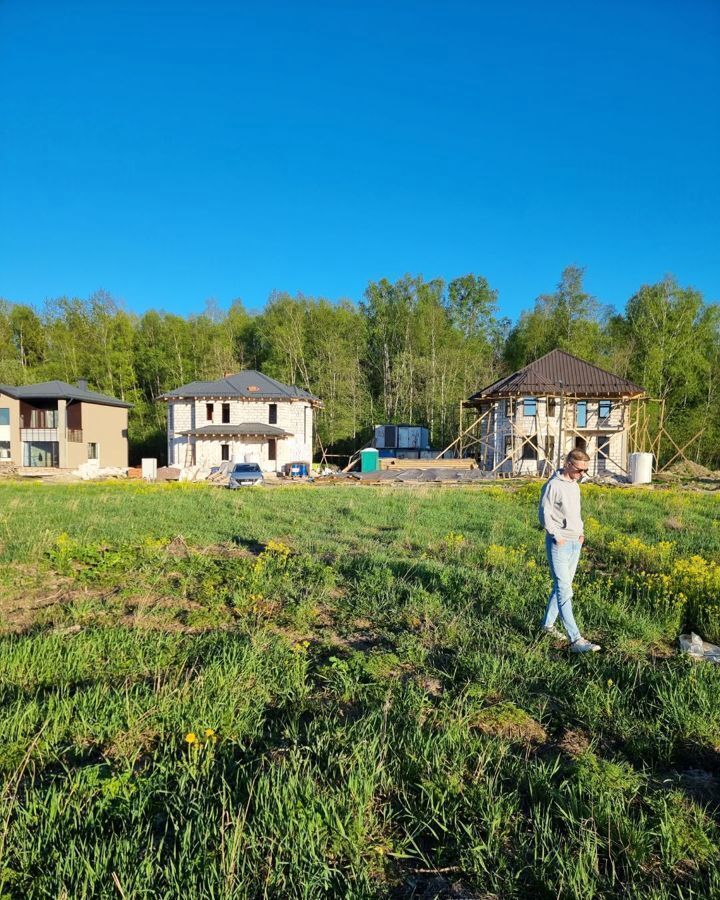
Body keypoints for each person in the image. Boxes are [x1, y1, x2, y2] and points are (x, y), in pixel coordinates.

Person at [538, 448, 601, 653]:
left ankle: (547, 626)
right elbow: (544, 514)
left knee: (561, 587)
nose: (581, 474)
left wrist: (581, 533)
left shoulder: (575, 486)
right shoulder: (553, 486)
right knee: (565, 590)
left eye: (585, 471)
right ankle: (576, 640)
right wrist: (557, 536)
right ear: (567, 464)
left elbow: (576, 513)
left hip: (575, 542)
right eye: (579, 470)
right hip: (560, 543)